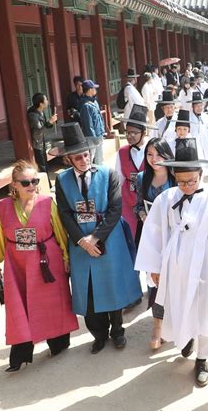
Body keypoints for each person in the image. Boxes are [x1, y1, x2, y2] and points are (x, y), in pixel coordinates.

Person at [135, 138, 208, 386]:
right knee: (179, 303)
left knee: (205, 308)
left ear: (201, 174)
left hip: (204, 265)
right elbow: (154, 232)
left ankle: (203, 358)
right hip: (177, 263)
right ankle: (186, 336)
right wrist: (154, 267)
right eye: (181, 182)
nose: (187, 186)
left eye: (192, 181)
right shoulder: (166, 199)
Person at [51, 123, 142, 354]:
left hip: (108, 237)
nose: (83, 160)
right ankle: (99, 334)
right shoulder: (62, 181)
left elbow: (115, 209)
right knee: (89, 290)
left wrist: (96, 237)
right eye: (77, 157)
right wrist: (82, 240)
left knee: (112, 284)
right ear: (68, 159)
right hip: (80, 242)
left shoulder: (108, 173)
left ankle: (118, 331)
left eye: (85, 154)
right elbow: (64, 213)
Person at [0, 160, 78, 372]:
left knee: (52, 304)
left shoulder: (48, 203)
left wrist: (66, 257)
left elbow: (59, 233)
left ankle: (58, 344)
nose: (32, 186)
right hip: (17, 263)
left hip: (47, 261)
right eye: (26, 182)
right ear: (14, 186)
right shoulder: (3, 207)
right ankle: (20, 355)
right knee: (19, 307)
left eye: (35, 181)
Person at [134, 137, 176, 349]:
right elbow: (137, 205)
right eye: (149, 154)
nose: (154, 159)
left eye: (158, 154)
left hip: (175, 234)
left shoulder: (176, 176)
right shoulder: (141, 178)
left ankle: (177, 322)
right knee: (155, 278)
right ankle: (157, 326)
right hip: (151, 235)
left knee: (176, 277)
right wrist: (144, 216)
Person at [115, 105, 158, 238]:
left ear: (144, 133)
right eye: (127, 132)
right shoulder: (122, 152)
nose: (129, 136)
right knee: (131, 235)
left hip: (149, 199)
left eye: (134, 133)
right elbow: (118, 179)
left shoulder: (153, 151)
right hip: (128, 200)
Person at [27, 92, 57, 186]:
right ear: (41, 103)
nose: (47, 101)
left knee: (45, 163)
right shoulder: (33, 115)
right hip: (36, 143)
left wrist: (51, 122)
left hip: (41, 141)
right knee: (42, 165)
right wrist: (50, 121)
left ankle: (48, 184)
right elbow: (39, 129)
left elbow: (47, 126)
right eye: (46, 100)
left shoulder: (41, 112)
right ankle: (46, 185)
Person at [79, 79, 105, 165]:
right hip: (92, 137)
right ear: (90, 90)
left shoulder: (94, 101)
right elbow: (88, 124)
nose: (95, 90)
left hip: (99, 134)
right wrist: (94, 138)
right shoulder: (86, 105)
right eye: (94, 88)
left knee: (99, 158)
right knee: (91, 157)